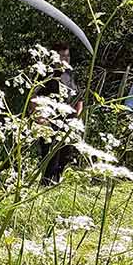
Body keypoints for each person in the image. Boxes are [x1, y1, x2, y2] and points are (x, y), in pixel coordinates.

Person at [39, 42, 83, 185]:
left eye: (67, 56)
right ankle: (45, 184)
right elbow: (34, 97)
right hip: (51, 121)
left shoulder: (70, 74)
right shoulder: (46, 74)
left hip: (68, 122)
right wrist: (40, 117)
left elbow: (79, 98)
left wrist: (77, 118)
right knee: (50, 155)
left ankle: (57, 181)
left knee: (66, 154)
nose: (66, 59)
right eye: (62, 56)